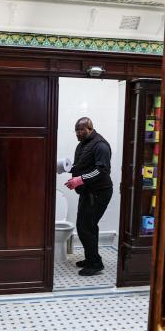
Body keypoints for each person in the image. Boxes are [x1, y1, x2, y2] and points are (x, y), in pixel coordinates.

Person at [65, 117, 114, 276]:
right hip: (88, 192)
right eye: (76, 130)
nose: (78, 133)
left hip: (99, 193)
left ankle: (95, 263)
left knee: (87, 226)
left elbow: (101, 170)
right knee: (84, 226)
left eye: (81, 130)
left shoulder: (100, 146)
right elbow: (83, 165)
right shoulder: (83, 144)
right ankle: (90, 259)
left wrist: (80, 179)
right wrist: (66, 168)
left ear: (90, 129)